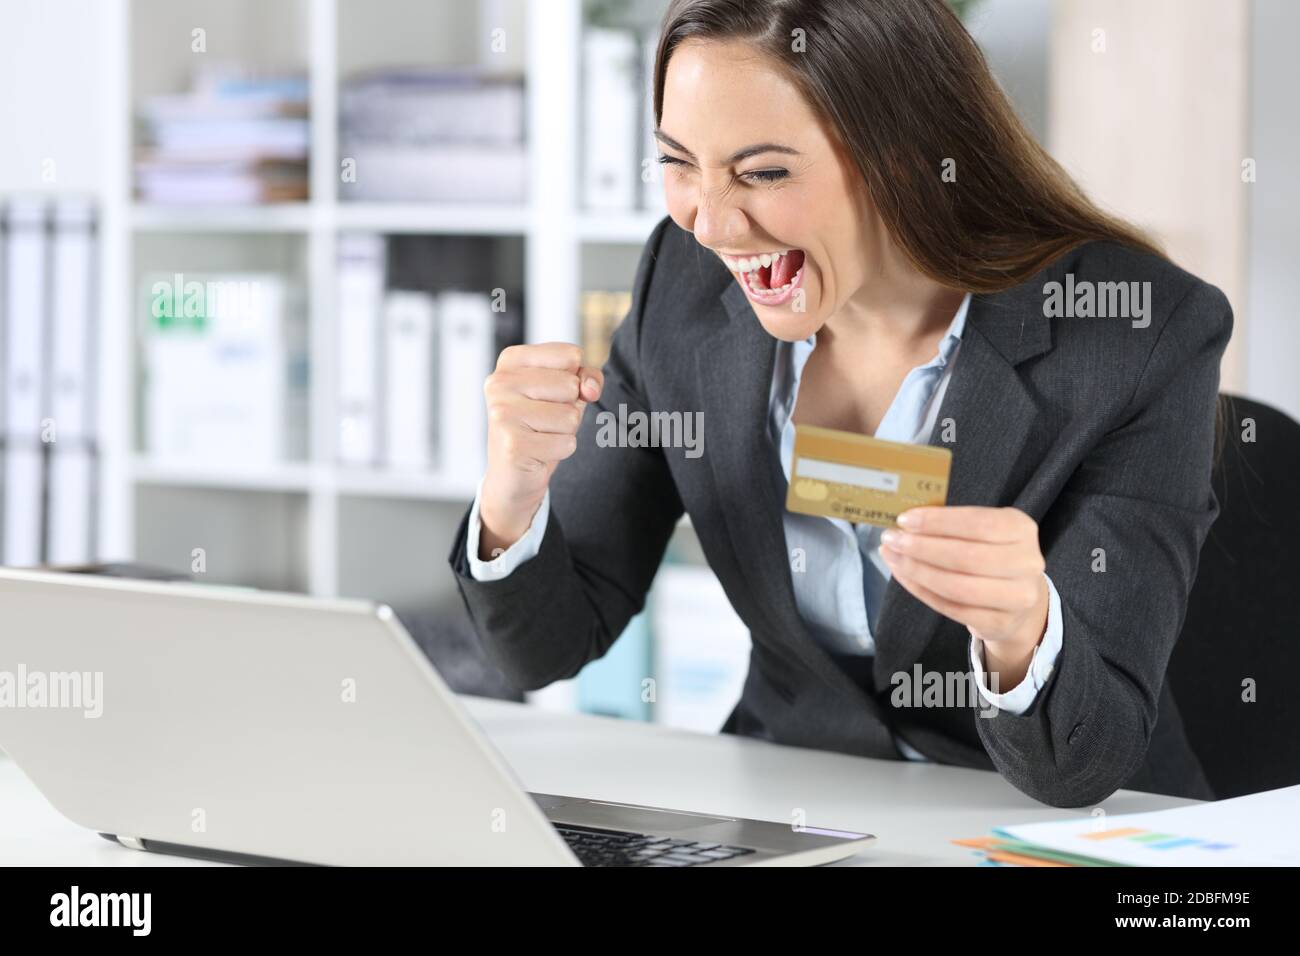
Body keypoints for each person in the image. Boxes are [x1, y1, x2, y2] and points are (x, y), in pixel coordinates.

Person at [448, 0, 1231, 807]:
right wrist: (513, 491)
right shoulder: (681, 287)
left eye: (764, 173)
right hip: (788, 807)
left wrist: (1021, 633)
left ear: (904, 154)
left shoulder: (1134, 334)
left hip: (1050, 819)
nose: (712, 224)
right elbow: (542, 649)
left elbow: (1083, 765)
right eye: (679, 162)